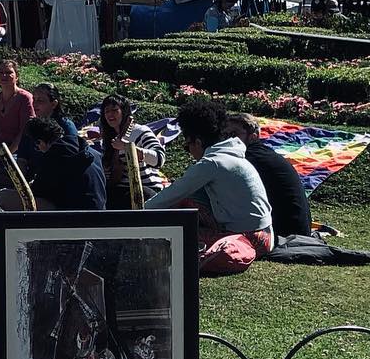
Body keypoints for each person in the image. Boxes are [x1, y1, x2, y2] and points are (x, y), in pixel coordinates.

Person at [145, 99, 273, 276]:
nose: (188, 151)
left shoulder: (211, 163)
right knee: (185, 205)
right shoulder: (232, 155)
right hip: (267, 234)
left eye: (186, 145)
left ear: (197, 142)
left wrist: (138, 215)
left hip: (248, 236)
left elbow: (173, 194)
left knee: (174, 227)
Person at [223, 111, 312, 240]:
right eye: (225, 135)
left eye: (233, 134)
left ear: (253, 136)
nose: (228, 139)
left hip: (285, 233)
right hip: (296, 230)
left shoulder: (249, 159)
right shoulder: (263, 154)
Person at [16, 117, 106, 211]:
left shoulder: (52, 158)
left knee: (5, 197)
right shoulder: (93, 152)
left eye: (37, 146)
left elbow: (37, 193)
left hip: (73, 216)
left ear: (40, 142)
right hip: (99, 213)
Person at [98, 93, 167, 209]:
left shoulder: (140, 131)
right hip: (120, 191)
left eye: (115, 110)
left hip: (146, 189)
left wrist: (127, 148)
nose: (110, 115)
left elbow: (159, 158)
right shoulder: (107, 139)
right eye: (107, 111)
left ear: (124, 112)